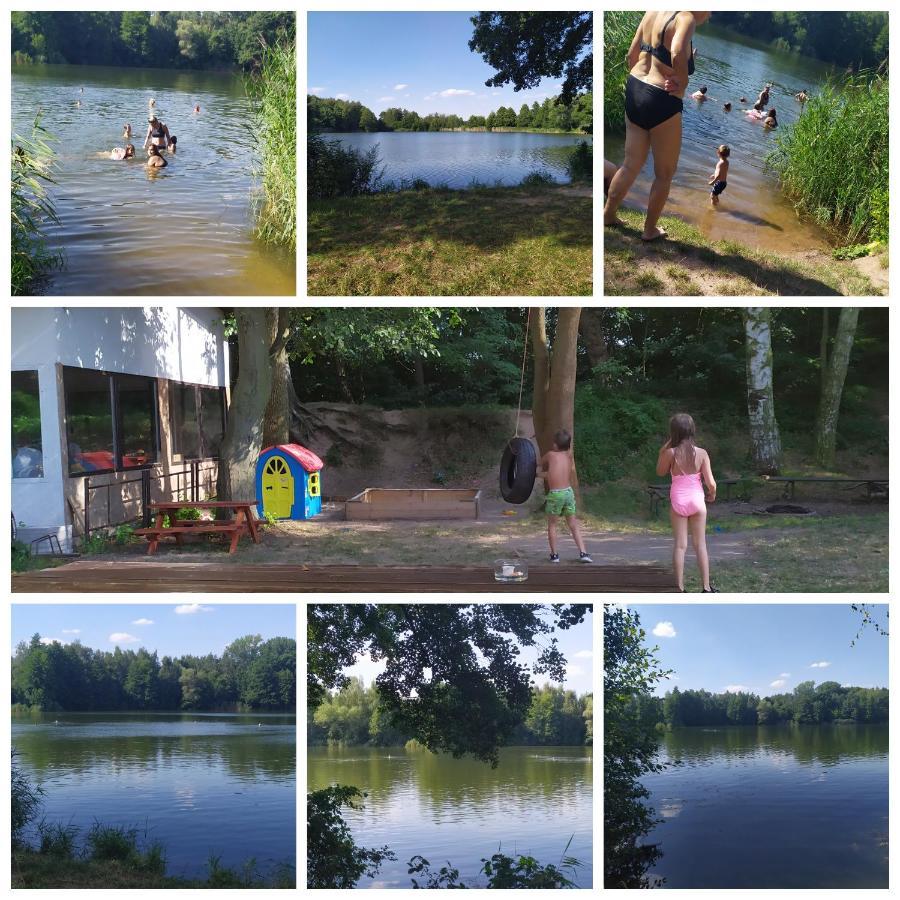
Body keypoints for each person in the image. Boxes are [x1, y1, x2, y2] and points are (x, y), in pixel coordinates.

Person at [604, 11, 711, 242]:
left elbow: (631, 55)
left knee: (630, 164)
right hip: (661, 97)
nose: (710, 15)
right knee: (664, 173)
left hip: (635, 88)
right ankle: (650, 230)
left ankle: (608, 214)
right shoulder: (686, 17)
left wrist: (642, 83)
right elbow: (675, 51)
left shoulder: (653, 10)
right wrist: (683, 81)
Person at [656, 413, 717, 592]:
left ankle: (679, 588)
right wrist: (712, 494)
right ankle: (706, 587)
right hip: (697, 500)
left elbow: (660, 472)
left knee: (680, 545)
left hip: (678, 501)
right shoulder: (702, 453)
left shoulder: (670, 452)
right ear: (692, 430)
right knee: (700, 544)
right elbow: (711, 483)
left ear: (673, 432)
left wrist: (666, 446)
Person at [537, 428, 592, 564]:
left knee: (552, 525)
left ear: (555, 444)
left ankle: (554, 555)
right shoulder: (569, 456)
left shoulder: (550, 455)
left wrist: (535, 473)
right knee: (573, 524)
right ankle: (583, 553)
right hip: (568, 492)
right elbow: (554, 474)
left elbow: (538, 463)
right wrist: (541, 475)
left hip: (556, 495)